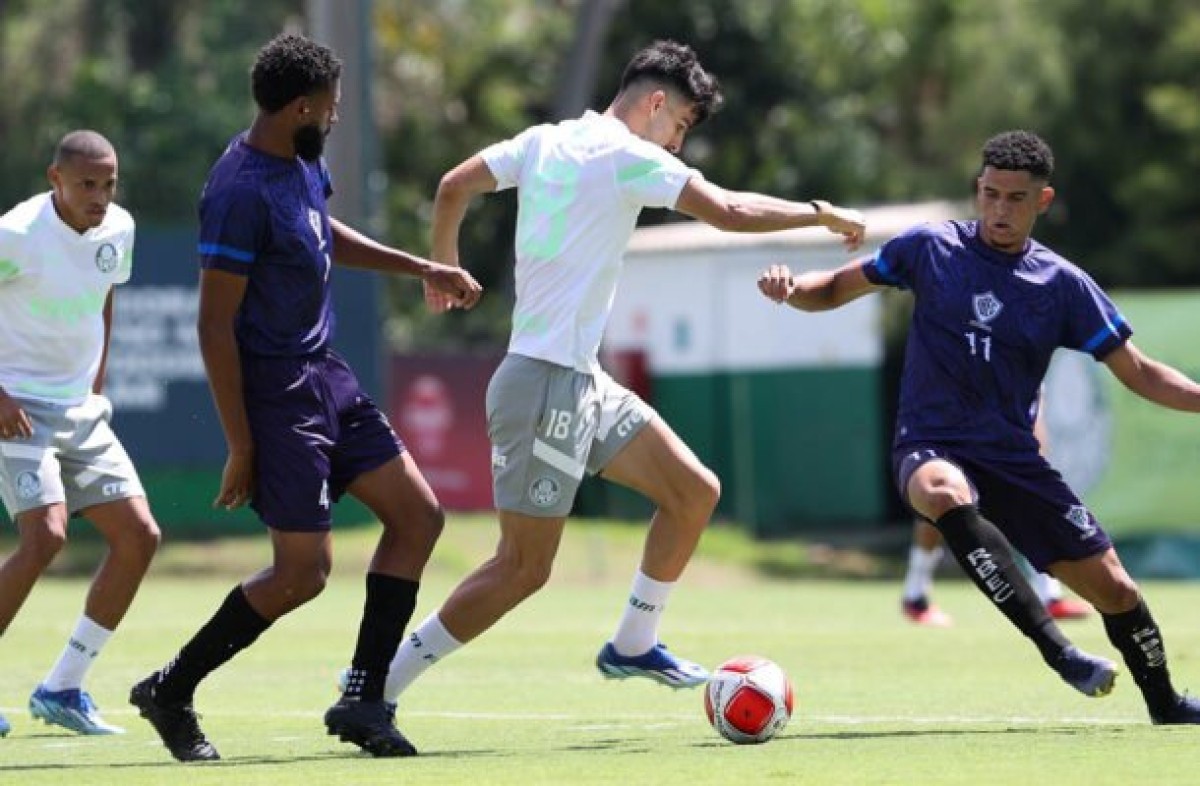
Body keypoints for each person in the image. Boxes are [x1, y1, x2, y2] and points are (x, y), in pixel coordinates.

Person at [351, 39, 864, 744]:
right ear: (656, 104)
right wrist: (819, 214)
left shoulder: (543, 141)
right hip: (543, 384)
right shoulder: (629, 156)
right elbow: (731, 212)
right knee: (522, 568)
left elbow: (452, 186)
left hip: (577, 379)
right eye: (682, 125)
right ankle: (374, 690)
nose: (679, 141)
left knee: (693, 492)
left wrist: (443, 262)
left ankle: (632, 642)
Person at [758, 129, 1200, 724]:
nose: (998, 209)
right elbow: (835, 289)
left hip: (1014, 459)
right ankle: (1059, 652)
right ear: (977, 189)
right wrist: (791, 292)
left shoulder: (1063, 286)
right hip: (930, 442)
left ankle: (1166, 704)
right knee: (943, 492)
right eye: (989, 194)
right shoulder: (931, 248)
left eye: (1014, 199)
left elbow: (1141, 372)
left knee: (1116, 590)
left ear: (1042, 201)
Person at [127, 33, 482, 762]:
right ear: (299, 108)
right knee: (302, 575)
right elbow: (212, 324)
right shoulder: (237, 190)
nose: (336, 114)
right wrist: (242, 442)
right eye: (331, 105)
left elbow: (323, 233)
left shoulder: (302, 161)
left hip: (325, 372)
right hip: (274, 393)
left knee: (417, 516)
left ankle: (362, 696)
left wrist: (419, 264)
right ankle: (171, 689)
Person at [0, 130, 161, 737]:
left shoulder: (118, 227)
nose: (100, 196)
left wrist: (96, 382)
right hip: (16, 406)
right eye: (86, 184)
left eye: (108, 183)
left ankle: (63, 687)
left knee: (140, 536)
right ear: (55, 179)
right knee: (45, 536)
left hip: (80, 409)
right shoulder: (15, 233)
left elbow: (106, 297)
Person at [901, 402, 1091, 626]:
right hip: (958, 407)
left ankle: (1049, 594)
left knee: (1028, 490)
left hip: (1013, 401)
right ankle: (915, 594)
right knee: (940, 495)